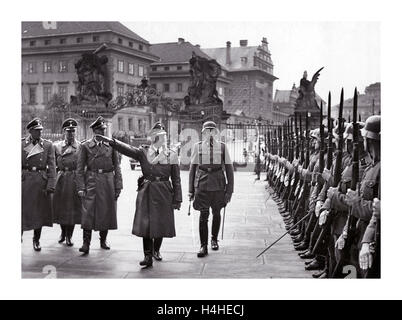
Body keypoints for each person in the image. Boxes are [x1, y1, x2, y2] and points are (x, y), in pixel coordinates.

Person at [96, 122, 182, 268]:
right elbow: (128, 149)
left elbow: (176, 179)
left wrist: (177, 199)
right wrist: (111, 142)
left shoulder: (171, 154)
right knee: (146, 224)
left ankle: (156, 250)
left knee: (161, 223)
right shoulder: (143, 152)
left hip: (164, 191)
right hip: (148, 190)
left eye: (163, 136)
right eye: (158, 136)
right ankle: (147, 255)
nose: (161, 138)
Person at [76, 116, 123, 254]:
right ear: (94, 132)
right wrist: (80, 187)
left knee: (106, 211)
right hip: (91, 179)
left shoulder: (111, 146)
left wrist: (118, 186)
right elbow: (79, 168)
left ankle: (103, 240)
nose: (102, 133)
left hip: (108, 180)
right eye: (99, 130)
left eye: (103, 130)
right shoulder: (85, 146)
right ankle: (86, 243)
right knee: (88, 211)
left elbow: (117, 167)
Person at [189, 121, 234, 258]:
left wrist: (229, 191)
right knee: (203, 215)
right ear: (203, 133)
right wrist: (190, 190)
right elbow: (192, 169)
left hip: (218, 185)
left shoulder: (222, 147)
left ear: (215, 133)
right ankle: (203, 245)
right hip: (202, 184)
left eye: (212, 131)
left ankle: (214, 239)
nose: (209, 133)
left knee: (216, 212)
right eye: (206, 131)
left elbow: (229, 169)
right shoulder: (197, 147)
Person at [344, 115, 380, 278]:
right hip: (361, 232)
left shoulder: (379, 168)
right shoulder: (372, 167)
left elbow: (375, 211)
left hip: (372, 240)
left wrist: (355, 202)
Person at [22, 118, 56, 251]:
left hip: (41, 181)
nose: (40, 133)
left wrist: (51, 184)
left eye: (40, 130)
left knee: (39, 213)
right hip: (25, 181)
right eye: (37, 131)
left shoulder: (47, 145)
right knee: (21, 211)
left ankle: (36, 240)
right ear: (30, 131)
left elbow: (52, 167)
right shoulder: (21, 144)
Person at [53, 118, 82, 247]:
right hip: (61, 178)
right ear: (64, 132)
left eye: (72, 131)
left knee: (73, 208)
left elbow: (83, 165)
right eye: (68, 131)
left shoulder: (80, 146)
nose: (70, 134)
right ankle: (62, 233)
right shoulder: (57, 146)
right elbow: (51, 163)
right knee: (61, 207)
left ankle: (69, 236)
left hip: (74, 179)